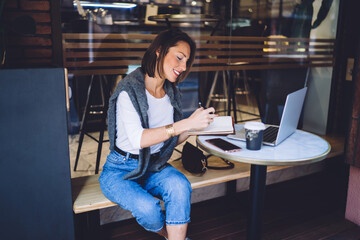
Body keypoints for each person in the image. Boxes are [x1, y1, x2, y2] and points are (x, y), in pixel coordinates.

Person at [99, 28, 216, 240]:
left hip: (153, 165)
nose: (183, 67)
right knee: (148, 209)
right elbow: (139, 139)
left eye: (187, 61)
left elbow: (169, 139)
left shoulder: (171, 91)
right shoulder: (129, 90)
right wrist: (185, 123)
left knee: (180, 186)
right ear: (159, 51)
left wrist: (192, 127)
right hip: (120, 170)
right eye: (179, 58)